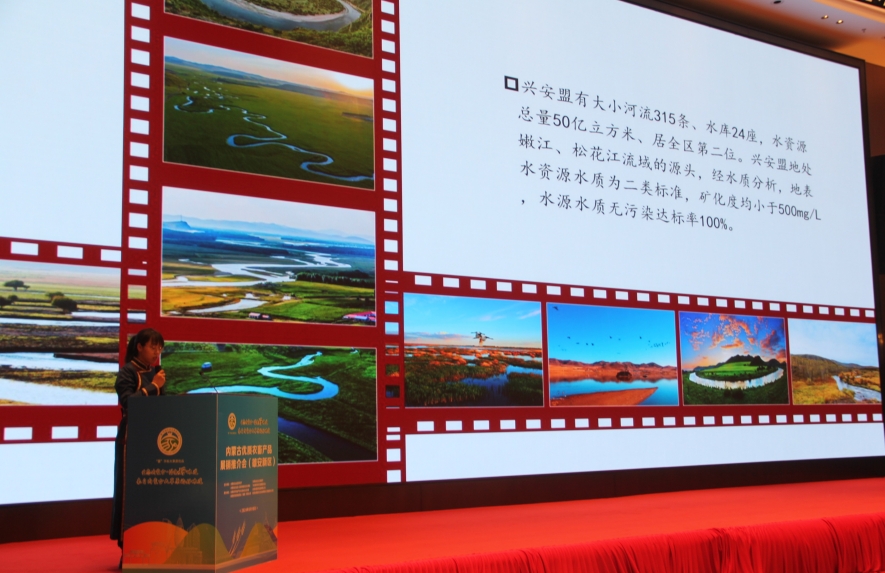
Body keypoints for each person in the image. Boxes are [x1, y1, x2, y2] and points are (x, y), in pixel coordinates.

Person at [110, 328, 166, 564]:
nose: (156, 352)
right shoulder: (127, 372)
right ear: (140, 347)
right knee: (130, 494)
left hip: (155, 440)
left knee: (152, 495)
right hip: (131, 441)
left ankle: (152, 548)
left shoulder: (157, 373)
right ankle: (129, 550)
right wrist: (153, 386)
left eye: (159, 348)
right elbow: (128, 403)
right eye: (153, 347)